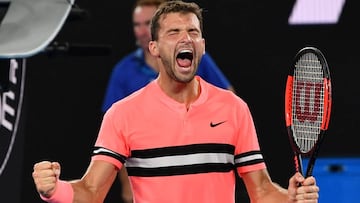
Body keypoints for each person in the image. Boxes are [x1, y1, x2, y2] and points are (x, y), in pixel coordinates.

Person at [32, 1, 320, 203]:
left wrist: (290, 198)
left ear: (202, 46)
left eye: (193, 32)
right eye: (174, 32)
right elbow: (91, 192)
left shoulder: (234, 108)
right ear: (154, 48)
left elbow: (262, 192)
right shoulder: (122, 114)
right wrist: (54, 191)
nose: (186, 38)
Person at [102, 1, 236, 202]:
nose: (141, 31)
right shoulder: (123, 73)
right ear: (155, 47)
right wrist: (126, 182)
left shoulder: (199, 61)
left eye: (147, 23)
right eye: (136, 25)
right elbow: (116, 140)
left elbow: (228, 102)